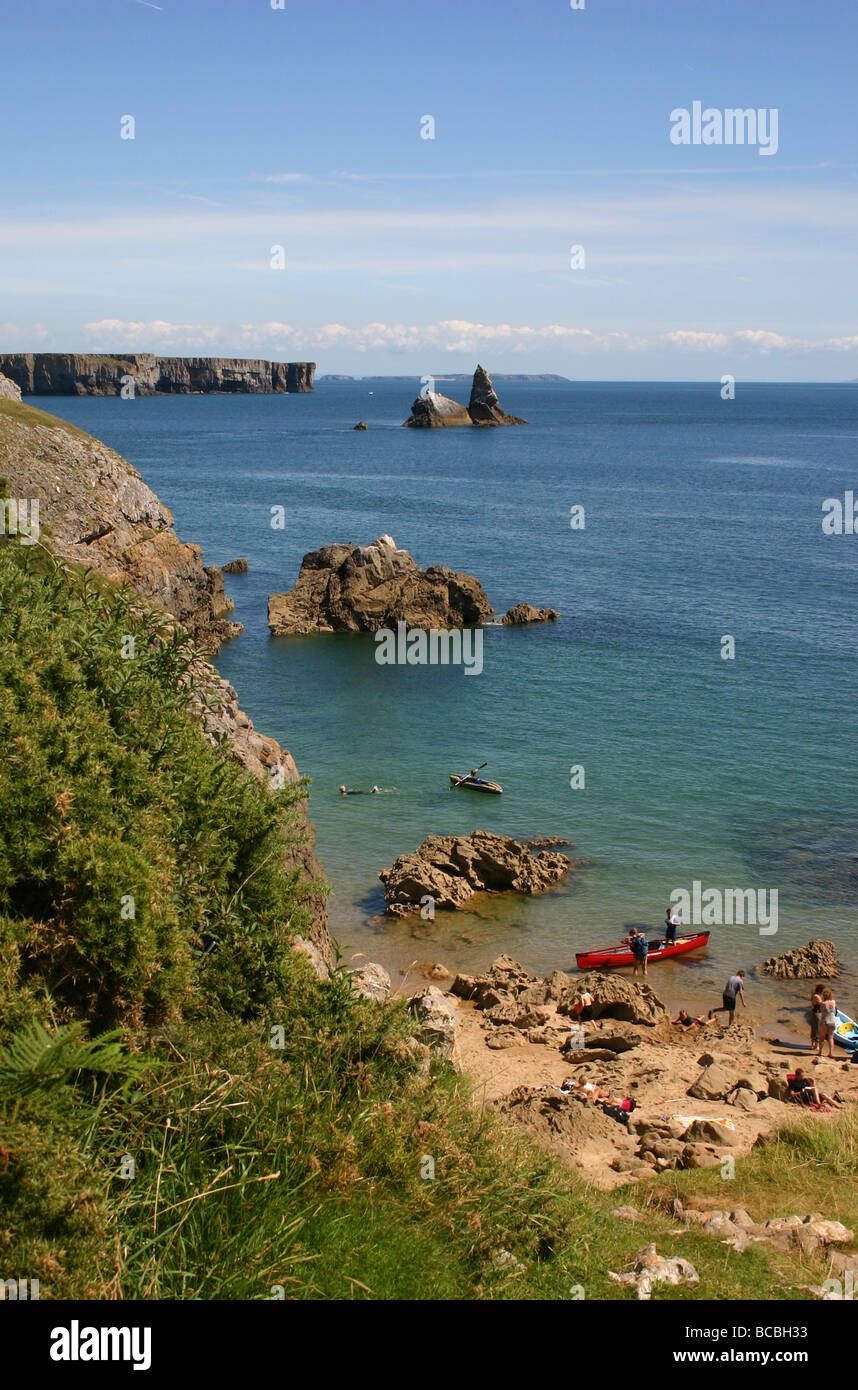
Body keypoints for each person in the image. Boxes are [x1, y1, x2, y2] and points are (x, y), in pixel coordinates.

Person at [818, 988, 837, 1058]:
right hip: (833, 1021)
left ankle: (820, 1052)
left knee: (822, 1037)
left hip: (825, 1021)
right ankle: (831, 1053)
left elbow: (822, 1012)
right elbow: (834, 1011)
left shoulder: (823, 1003)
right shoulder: (833, 1002)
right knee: (831, 1037)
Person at [810, 985, 823, 1049]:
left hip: (815, 1012)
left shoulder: (815, 995)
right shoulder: (816, 996)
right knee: (817, 1029)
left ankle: (813, 1044)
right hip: (817, 1013)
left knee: (814, 1029)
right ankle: (815, 1045)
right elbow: (821, 1003)